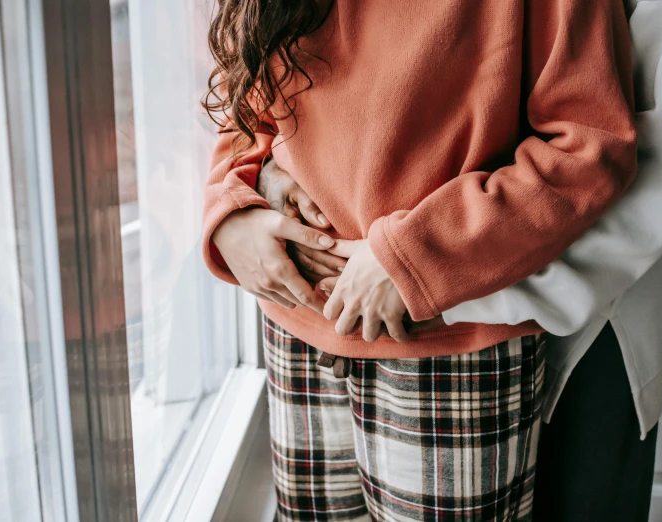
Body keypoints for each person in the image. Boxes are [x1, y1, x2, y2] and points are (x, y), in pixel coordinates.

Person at [201, 1, 638, 520]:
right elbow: (244, 86)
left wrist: (412, 256)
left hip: (449, 346)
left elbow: (590, 146)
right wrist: (234, 203)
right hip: (296, 329)